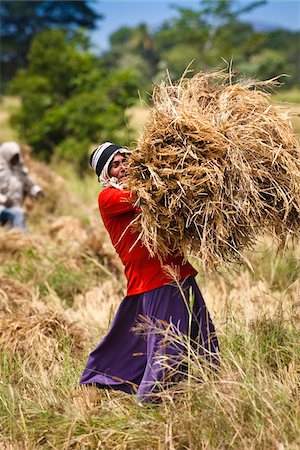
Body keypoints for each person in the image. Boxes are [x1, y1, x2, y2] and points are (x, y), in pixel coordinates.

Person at [80, 141, 219, 402]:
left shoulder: (144, 185)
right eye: (115, 166)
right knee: (170, 340)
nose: (122, 168)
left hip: (176, 269)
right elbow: (148, 197)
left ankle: (206, 386)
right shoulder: (109, 197)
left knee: (198, 329)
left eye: (125, 161)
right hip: (154, 276)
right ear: (105, 174)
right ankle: (151, 398)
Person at [0, 141, 43, 233]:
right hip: (2, 208)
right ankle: (19, 237)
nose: (16, 159)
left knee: (22, 221)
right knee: (18, 215)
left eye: (17, 156)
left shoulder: (20, 170)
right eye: (13, 156)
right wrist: (4, 200)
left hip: (15, 207)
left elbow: (29, 184)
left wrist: (37, 191)